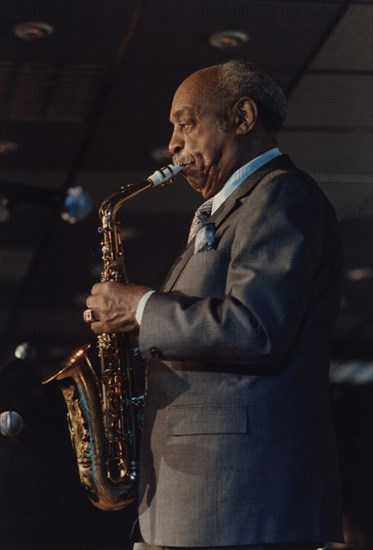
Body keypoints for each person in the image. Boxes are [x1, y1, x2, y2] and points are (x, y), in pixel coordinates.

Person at [84, 60, 344, 550]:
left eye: (186, 123)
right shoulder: (230, 209)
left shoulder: (281, 194)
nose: (174, 144)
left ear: (242, 118)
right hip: (205, 499)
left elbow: (257, 328)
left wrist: (142, 309)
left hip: (238, 499)